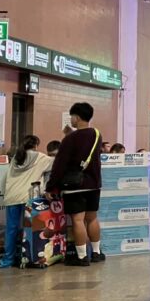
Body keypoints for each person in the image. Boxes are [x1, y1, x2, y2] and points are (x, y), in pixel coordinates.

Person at [46, 102, 104, 267]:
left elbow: (59, 165)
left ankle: (81, 257)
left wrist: (51, 186)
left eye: (71, 116)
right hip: (94, 184)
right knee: (92, 218)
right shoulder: (97, 134)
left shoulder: (70, 139)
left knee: (78, 220)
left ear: (77, 117)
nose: (71, 119)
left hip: (74, 185)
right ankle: (97, 253)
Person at [0, 135, 53, 269]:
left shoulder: (16, 158)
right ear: (35, 145)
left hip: (12, 197)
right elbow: (57, 163)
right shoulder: (40, 157)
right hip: (29, 198)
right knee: (30, 230)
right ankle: (31, 257)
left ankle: (7, 261)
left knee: (11, 229)